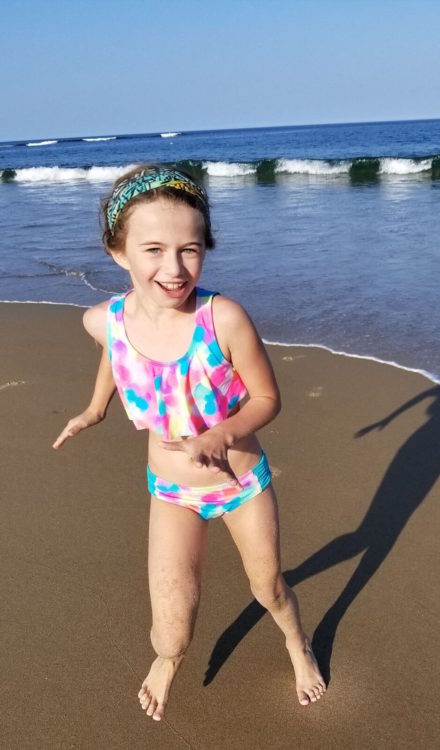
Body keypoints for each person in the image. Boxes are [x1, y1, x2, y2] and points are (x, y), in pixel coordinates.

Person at [53, 165, 326, 721]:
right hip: (170, 489)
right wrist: (95, 407)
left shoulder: (222, 318)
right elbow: (114, 345)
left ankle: (297, 643)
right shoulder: (100, 319)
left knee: (267, 587)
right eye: (153, 249)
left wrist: (221, 435)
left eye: (190, 249)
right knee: (171, 624)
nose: (174, 268)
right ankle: (169, 660)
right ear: (118, 252)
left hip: (240, 482)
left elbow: (267, 399)